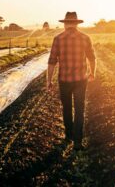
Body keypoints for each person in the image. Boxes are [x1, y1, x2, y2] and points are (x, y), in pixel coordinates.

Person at [47, 11, 96, 150]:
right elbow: (92, 58)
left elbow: (51, 62)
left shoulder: (58, 39)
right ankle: (78, 142)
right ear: (76, 23)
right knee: (80, 109)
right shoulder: (85, 38)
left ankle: (68, 136)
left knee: (67, 108)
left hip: (64, 80)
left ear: (65, 24)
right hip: (81, 79)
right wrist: (93, 73)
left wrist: (49, 81)